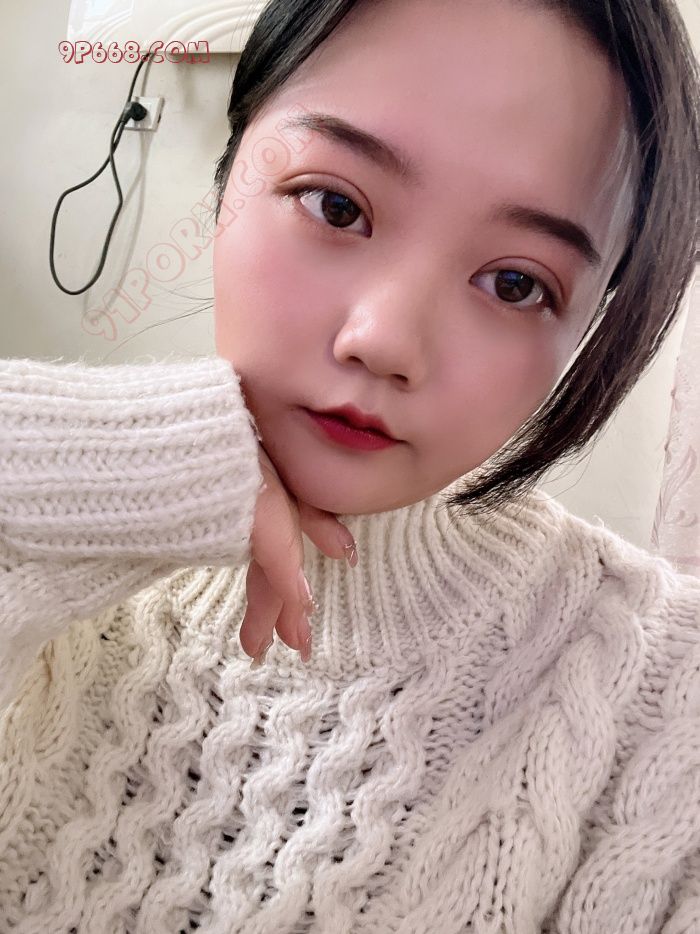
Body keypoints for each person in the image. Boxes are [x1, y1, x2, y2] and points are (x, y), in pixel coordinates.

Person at [1, 0, 699, 931]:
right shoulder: (40, 550)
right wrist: (112, 461)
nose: (385, 340)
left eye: (516, 283)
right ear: (229, 170)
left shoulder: (666, 701)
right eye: (337, 206)